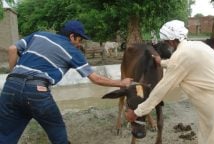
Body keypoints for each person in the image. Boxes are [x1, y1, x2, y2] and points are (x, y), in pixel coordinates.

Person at [0, 20, 132, 144]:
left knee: (5, 135)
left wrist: (14, 76)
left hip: (10, 87)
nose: (79, 44)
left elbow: (12, 49)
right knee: (58, 132)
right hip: (37, 91)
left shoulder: (39, 35)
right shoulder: (72, 51)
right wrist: (122, 83)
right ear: (72, 36)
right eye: (79, 40)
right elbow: (95, 78)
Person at [125, 20, 214, 144]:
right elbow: (183, 63)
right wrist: (162, 62)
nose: (165, 45)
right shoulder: (198, 45)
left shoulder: (179, 56)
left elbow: (161, 90)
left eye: (165, 42)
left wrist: (137, 112)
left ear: (171, 41)